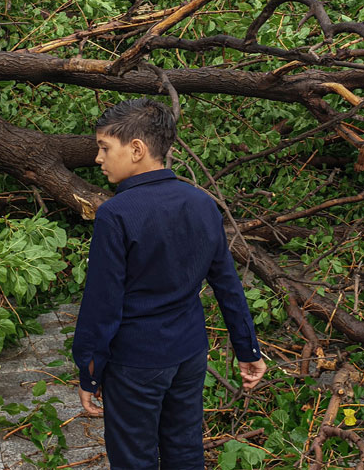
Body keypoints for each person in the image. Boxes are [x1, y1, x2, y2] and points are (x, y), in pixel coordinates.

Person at [72, 97, 267, 470]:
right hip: (189, 354)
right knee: (185, 448)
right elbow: (227, 283)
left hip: (136, 363)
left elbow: (102, 304)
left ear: (136, 149)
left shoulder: (115, 214)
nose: (98, 159)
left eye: (104, 148)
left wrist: (89, 370)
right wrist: (248, 349)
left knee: (134, 458)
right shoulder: (201, 203)